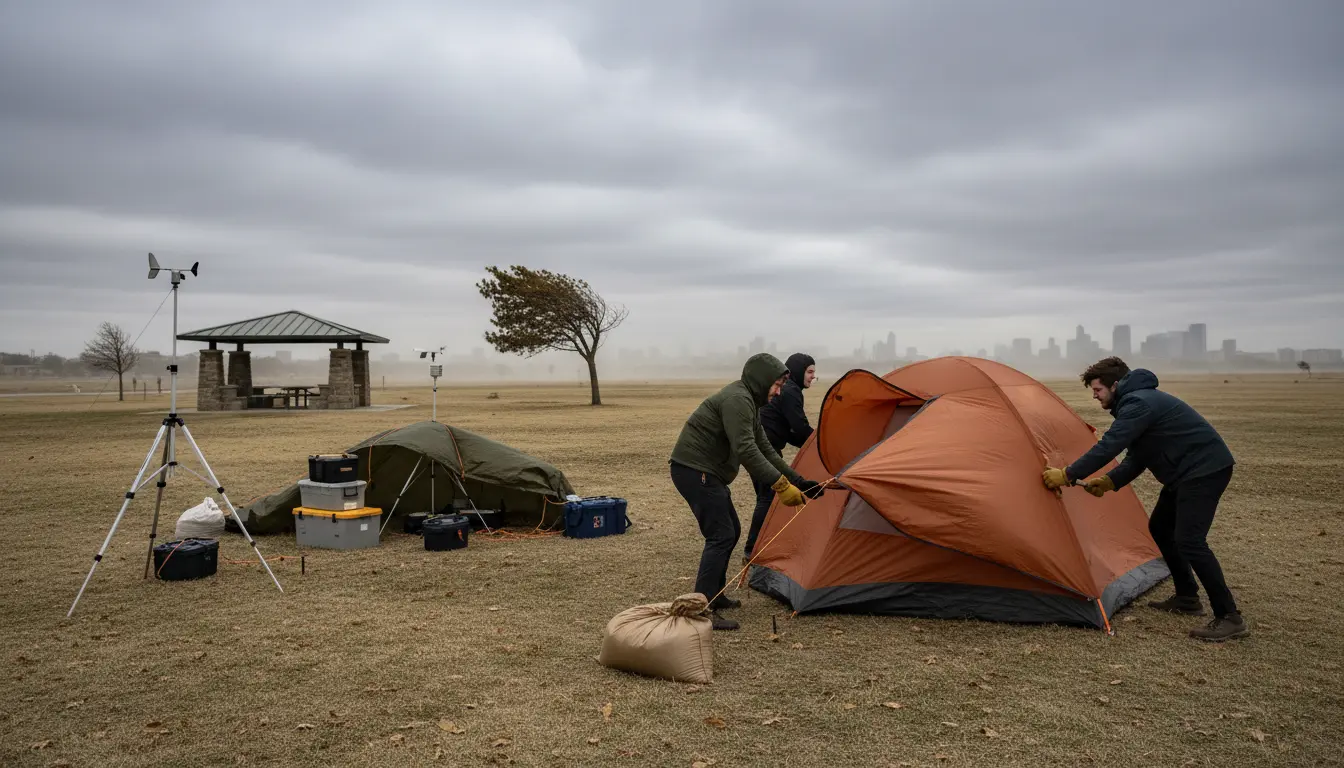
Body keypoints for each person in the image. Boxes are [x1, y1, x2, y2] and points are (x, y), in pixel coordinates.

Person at [1042, 357, 1246, 642]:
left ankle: (1229, 617)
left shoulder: (1138, 403)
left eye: (1098, 389)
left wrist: (1068, 474)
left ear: (1115, 385)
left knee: (1190, 541)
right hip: (1186, 473)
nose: (1094, 396)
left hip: (1203, 471)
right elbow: (1141, 454)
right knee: (1161, 529)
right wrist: (1111, 481)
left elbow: (1109, 445)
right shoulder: (1138, 401)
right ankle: (1187, 598)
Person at [669, 352, 826, 630]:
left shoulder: (750, 402)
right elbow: (746, 450)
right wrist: (780, 486)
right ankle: (701, 609)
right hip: (694, 470)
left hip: (707, 472)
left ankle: (715, 596)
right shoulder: (738, 400)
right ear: (762, 380)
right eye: (776, 386)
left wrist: (799, 481)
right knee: (721, 534)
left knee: (732, 529)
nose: (778, 393)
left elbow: (766, 448)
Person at [745, 353, 816, 559]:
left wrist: (810, 444)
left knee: (766, 497)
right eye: (810, 372)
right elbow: (800, 428)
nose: (812, 377)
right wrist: (820, 445)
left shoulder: (788, 390)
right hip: (762, 450)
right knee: (766, 498)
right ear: (798, 371)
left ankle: (758, 545)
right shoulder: (791, 391)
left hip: (764, 448)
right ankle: (752, 549)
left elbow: (789, 433)